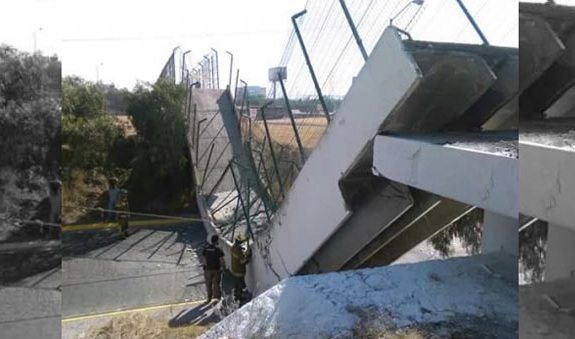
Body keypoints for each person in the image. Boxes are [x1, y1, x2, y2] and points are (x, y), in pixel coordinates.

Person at [201, 234, 225, 303]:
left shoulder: (206, 248)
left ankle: (209, 298)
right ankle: (218, 297)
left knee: (209, 284)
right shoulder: (218, 249)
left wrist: (205, 266)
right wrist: (223, 267)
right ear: (216, 241)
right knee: (217, 283)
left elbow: (204, 258)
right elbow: (221, 260)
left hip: (208, 269)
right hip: (216, 269)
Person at [230, 234, 251, 302]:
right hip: (239, 271)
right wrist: (247, 258)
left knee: (236, 284)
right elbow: (242, 261)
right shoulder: (239, 251)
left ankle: (236, 296)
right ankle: (239, 298)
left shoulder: (233, 248)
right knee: (241, 285)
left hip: (234, 269)